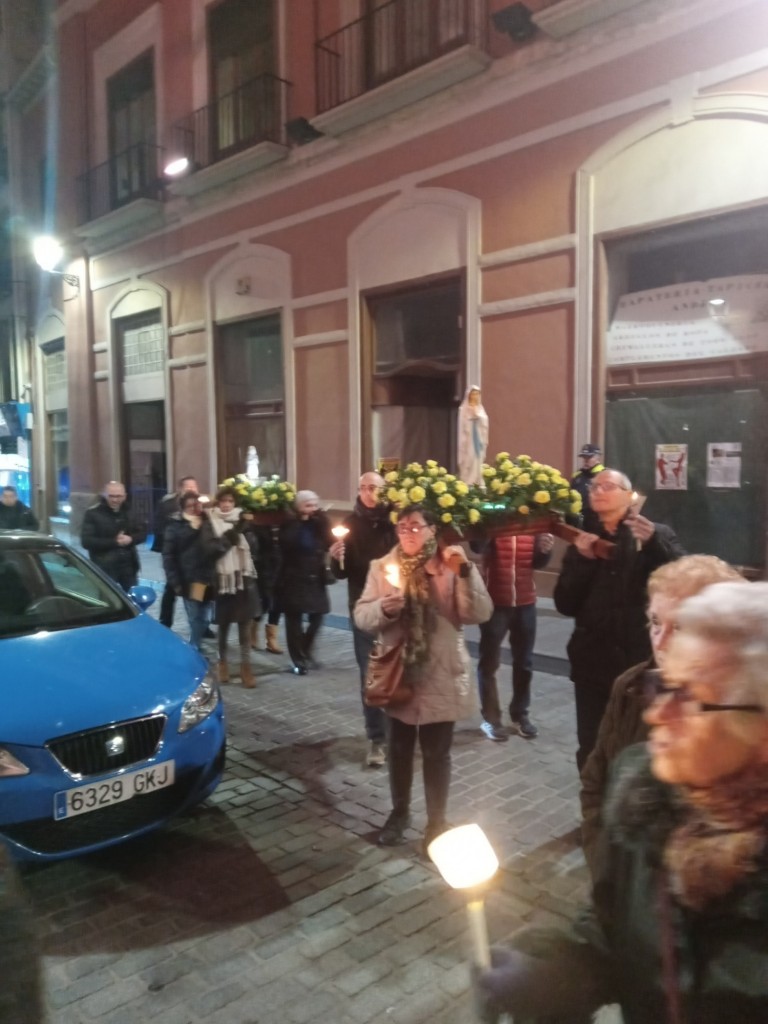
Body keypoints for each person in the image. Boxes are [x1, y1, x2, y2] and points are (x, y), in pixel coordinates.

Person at [474, 581, 768, 1024]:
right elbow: (616, 922)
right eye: (665, 686)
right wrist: (558, 969)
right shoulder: (654, 805)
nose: (656, 715)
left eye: (692, 699)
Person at [580, 554, 743, 876]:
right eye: (655, 622)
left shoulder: (745, 709)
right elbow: (596, 781)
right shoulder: (630, 687)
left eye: (681, 626)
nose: (661, 641)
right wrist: (605, 867)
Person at [355, 504, 492, 853]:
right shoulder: (382, 567)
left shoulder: (450, 566)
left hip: (440, 671)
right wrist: (384, 609)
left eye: (416, 526)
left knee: (436, 753)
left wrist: (465, 573)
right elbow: (361, 615)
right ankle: (399, 814)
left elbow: (479, 613)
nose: (409, 533)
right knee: (399, 749)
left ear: (433, 530)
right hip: (399, 671)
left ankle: (436, 823)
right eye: (402, 527)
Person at [554, 468, 684, 770]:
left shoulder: (654, 534)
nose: (597, 491)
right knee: (591, 744)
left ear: (629, 495)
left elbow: (680, 577)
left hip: (639, 665)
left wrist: (654, 543)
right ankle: (593, 815)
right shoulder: (583, 540)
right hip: (591, 665)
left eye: (607, 486)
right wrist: (584, 563)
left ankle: (631, 813)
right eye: (594, 487)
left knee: (639, 745)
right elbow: (564, 603)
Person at [330, 471, 396, 767]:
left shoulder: (396, 521)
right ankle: (377, 739)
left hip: (397, 607)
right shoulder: (350, 525)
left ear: (384, 490)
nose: (368, 492)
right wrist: (335, 557)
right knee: (370, 675)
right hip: (365, 608)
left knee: (400, 671)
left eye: (374, 487)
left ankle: (400, 734)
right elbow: (340, 574)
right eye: (363, 487)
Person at [476, 531, 555, 742]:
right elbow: (476, 546)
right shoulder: (494, 515)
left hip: (525, 602)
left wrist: (544, 550)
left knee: (525, 662)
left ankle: (520, 714)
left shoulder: (532, 521)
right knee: (489, 663)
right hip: (495, 603)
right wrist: (488, 527)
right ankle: (491, 719)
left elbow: (537, 562)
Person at [205, 486, 260, 687]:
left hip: (243, 580)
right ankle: (223, 664)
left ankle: (247, 668)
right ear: (218, 503)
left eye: (230, 501)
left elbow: (254, 548)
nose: (227, 505)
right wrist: (233, 534)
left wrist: (247, 532)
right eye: (223, 501)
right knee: (224, 626)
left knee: (245, 627)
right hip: (223, 581)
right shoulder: (210, 522)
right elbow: (211, 550)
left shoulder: (243, 520)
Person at [277, 489, 333, 675]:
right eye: (308, 505)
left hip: (315, 574)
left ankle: (306, 649)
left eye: (315, 505)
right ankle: (298, 659)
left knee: (318, 615)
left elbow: (329, 540)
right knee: (294, 620)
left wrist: (322, 521)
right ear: (299, 506)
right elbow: (287, 543)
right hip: (293, 576)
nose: (312, 509)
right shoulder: (289, 522)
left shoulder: (319, 522)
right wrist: (300, 522)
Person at [161, 490, 216, 652]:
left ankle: (196, 641)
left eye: (197, 504)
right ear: (183, 508)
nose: (195, 508)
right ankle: (195, 647)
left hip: (211, 579)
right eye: (190, 505)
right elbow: (168, 556)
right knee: (196, 616)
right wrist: (175, 581)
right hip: (193, 581)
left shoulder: (209, 521)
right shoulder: (177, 525)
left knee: (207, 617)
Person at [151, 475, 199, 628]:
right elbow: (159, 527)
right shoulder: (168, 504)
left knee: (198, 590)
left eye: (194, 487)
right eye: (188, 487)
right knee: (172, 588)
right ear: (180, 489)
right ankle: (166, 622)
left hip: (196, 557)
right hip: (176, 556)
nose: (192, 490)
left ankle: (200, 625)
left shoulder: (200, 505)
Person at [80, 480, 146, 590]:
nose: (115, 500)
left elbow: (142, 533)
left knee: (132, 599)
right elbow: (87, 541)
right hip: (105, 565)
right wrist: (115, 542)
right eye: (111, 496)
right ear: (105, 495)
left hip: (128, 566)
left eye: (118, 496)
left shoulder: (130, 511)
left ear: (124, 496)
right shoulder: (93, 514)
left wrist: (131, 539)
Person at [250, 523, 284, 654]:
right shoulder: (260, 522)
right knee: (264, 602)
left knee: (278, 604)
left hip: (282, 567)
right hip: (264, 567)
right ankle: (252, 631)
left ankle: (271, 640)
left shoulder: (285, 521)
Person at [457, 385, 489, 487]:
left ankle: (477, 480)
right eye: (473, 393)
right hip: (468, 439)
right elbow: (462, 425)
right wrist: (471, 418)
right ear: (469, 395)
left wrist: (478, 417)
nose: (475, 396)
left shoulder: (480, 409)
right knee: (469, 458)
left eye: (477, 394)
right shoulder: (463, 409)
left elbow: (485, 422)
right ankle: (468, 481)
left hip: (479, 438)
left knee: (477, 459)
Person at [568, 443, 604, 532]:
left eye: (589, 457)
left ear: (598, 458)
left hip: (597, 522)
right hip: (578, 521)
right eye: (584, 457)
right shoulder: (577, 475)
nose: (586, 460)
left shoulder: (604, 475)